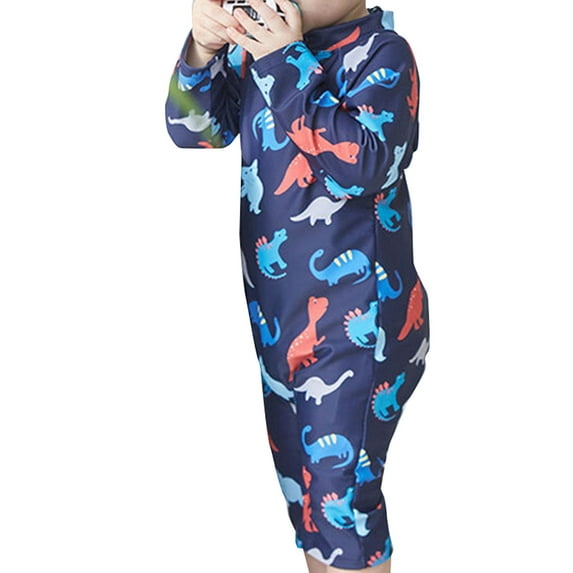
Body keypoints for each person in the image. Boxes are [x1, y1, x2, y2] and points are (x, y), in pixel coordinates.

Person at [164, 1, 430, 571]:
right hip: (280, 324)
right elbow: (193, 131)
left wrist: (283, 59)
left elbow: (366, 165)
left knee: (342, 508)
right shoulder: (262, 51)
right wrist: (203, 50)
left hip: (360, 330)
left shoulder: (382, 54)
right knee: (308, 499)